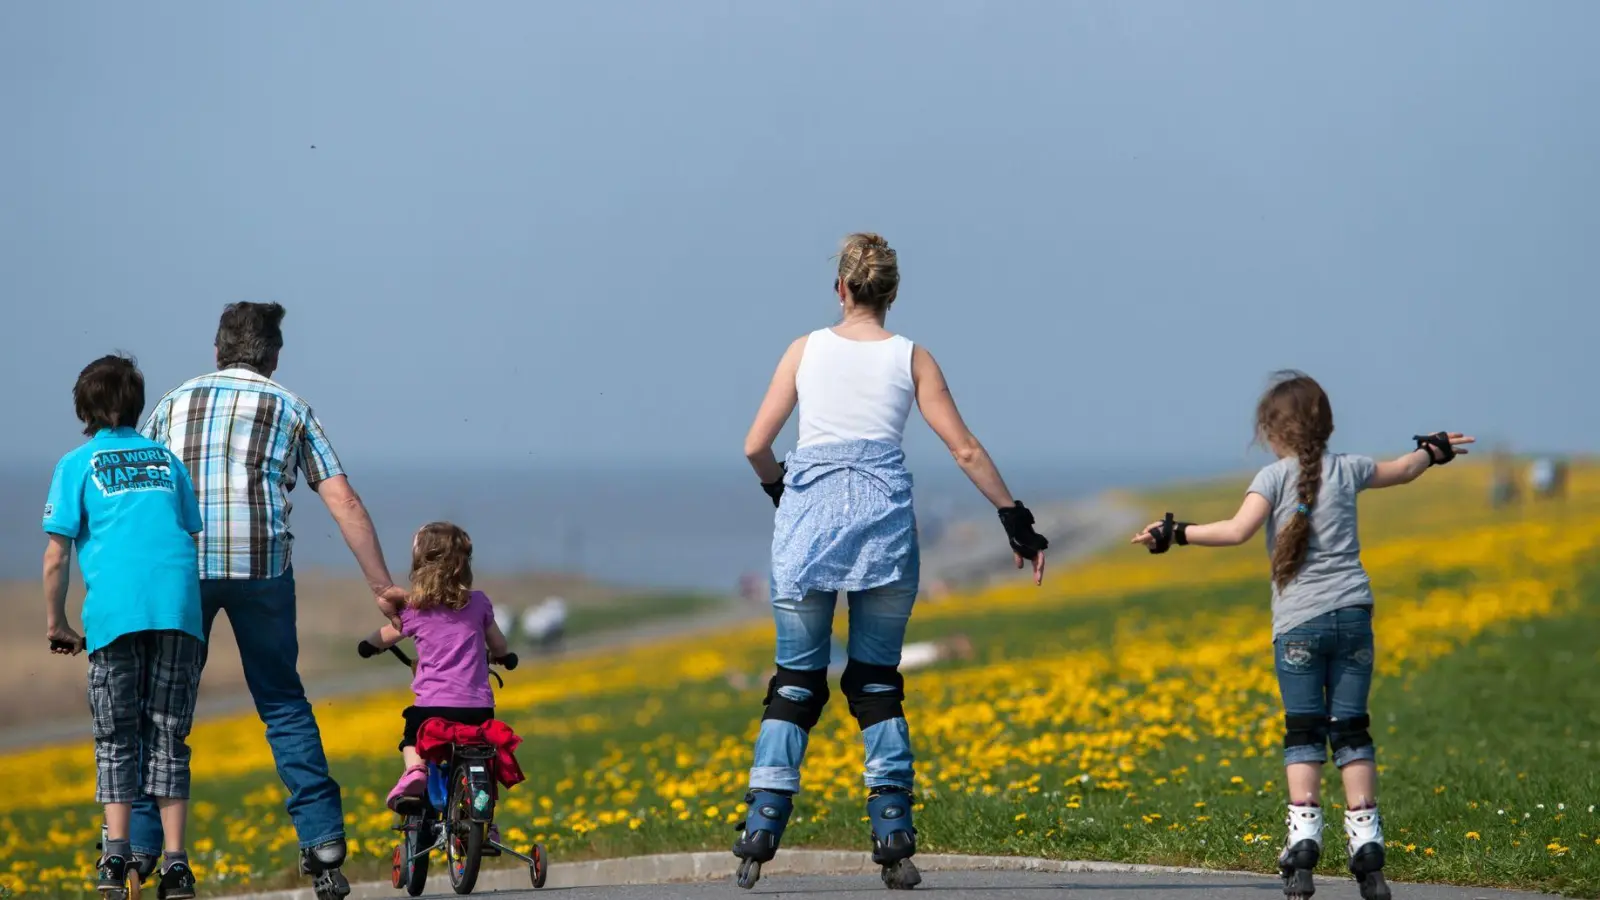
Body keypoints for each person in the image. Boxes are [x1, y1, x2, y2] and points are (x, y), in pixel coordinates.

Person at [730, 233, 1050, 890]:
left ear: (839, 290)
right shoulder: (912, 359)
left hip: (808, 532)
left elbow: (756, 446)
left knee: (795, 682)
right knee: (876, 684)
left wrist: (780, 492)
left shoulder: (804, 350)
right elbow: (963, 449)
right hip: (883, 535)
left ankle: (761, 825)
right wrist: (1013, 518)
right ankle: (893, 833)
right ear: (892, 294)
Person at [1131, 370, 1472, 900]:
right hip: (1355, 616)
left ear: (1271, 431)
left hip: (1298, 624)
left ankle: (1305, 842)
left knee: (1304, 733)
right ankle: (1366, 848)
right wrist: (1436, 450)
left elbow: (1236, 531)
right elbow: (1405, 469)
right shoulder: (1351, 468)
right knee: (1353, 731)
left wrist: (1173, 534)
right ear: (1327, 425)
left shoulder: (1271, 479)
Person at [133, 302, 408, 900]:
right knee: (282, 703)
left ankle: (144, 848)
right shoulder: (290, 406)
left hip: (185, 569)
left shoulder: (172, 403)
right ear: (274, 356)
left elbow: (143, 493)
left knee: (164, 713)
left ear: (216, 348)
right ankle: (323, 843)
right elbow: (345, 502)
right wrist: (382, 587)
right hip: (262, 569)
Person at [43, 355, 206, 900]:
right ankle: (177, 866)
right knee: (167, 738)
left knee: (116, 736)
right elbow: (186, 530)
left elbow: (55, 557)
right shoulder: (165, 460)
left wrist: (57, 623)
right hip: (179, 613)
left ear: (83, 409)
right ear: (137, 404)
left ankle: (115, 858)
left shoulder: (77, 463)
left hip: (115, 617)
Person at [357, 522, 517, 847]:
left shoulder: (417, 608)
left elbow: (384, 636)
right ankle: (487, 823)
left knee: (411, 734)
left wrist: (369, 645)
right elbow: (499, 645)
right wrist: (503, 656)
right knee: (481, 759)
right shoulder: (479, 603)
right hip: (478, 708)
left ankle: (415, 770)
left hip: (433, 708)